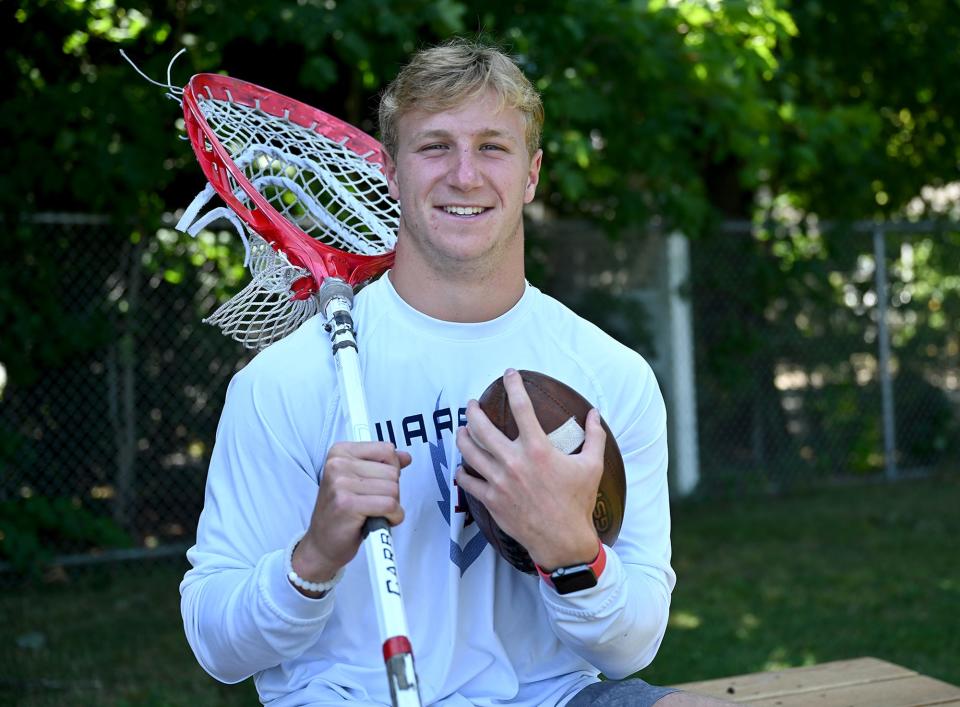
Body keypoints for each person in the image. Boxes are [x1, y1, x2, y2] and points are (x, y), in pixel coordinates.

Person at [181, 38, 727, 706]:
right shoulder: (287, 382)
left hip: (550, 696)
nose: (464, 175)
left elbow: (632, 647)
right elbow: (216, 646)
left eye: (493, 147)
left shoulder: (608, 376)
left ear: (531, 174)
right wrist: (315, 557)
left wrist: (571, 549)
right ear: (390, 170)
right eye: (435, 146)